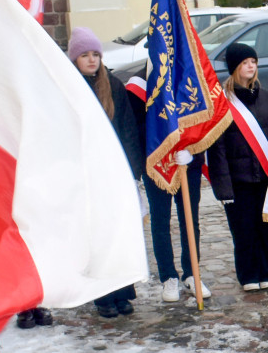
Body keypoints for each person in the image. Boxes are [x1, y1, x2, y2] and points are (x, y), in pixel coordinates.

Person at [69, 27, 145, 318]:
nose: (91, 60)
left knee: (118, 235)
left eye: (95, 55)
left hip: (116, 173)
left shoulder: (113, 86)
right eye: (85, 55)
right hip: (88, 175)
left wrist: (132, 169)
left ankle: (123, 292)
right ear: (75, 58)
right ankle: (102, 296)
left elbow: (128, 130)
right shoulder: (71, 88)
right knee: (98, 238)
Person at [206, 43, 268, 291]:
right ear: (235, 67)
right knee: (244, 231)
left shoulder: (266, 98)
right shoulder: (223, 102)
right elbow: (218, 148)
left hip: (266, 179)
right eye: (245, 62)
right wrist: (222, 186)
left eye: (253, 61)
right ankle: (248, 276)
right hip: (238, 179)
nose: (251, 66)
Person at [127, 61, 209, 304]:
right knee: (161, 221)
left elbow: (201, 122)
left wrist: (193, 152)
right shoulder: (138, 85)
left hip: (187, 163)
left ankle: (191, 271)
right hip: (157, 164)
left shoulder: (187, 78)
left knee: (189, 218)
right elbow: (136, 128)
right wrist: (157, 150)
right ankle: (168, 277)